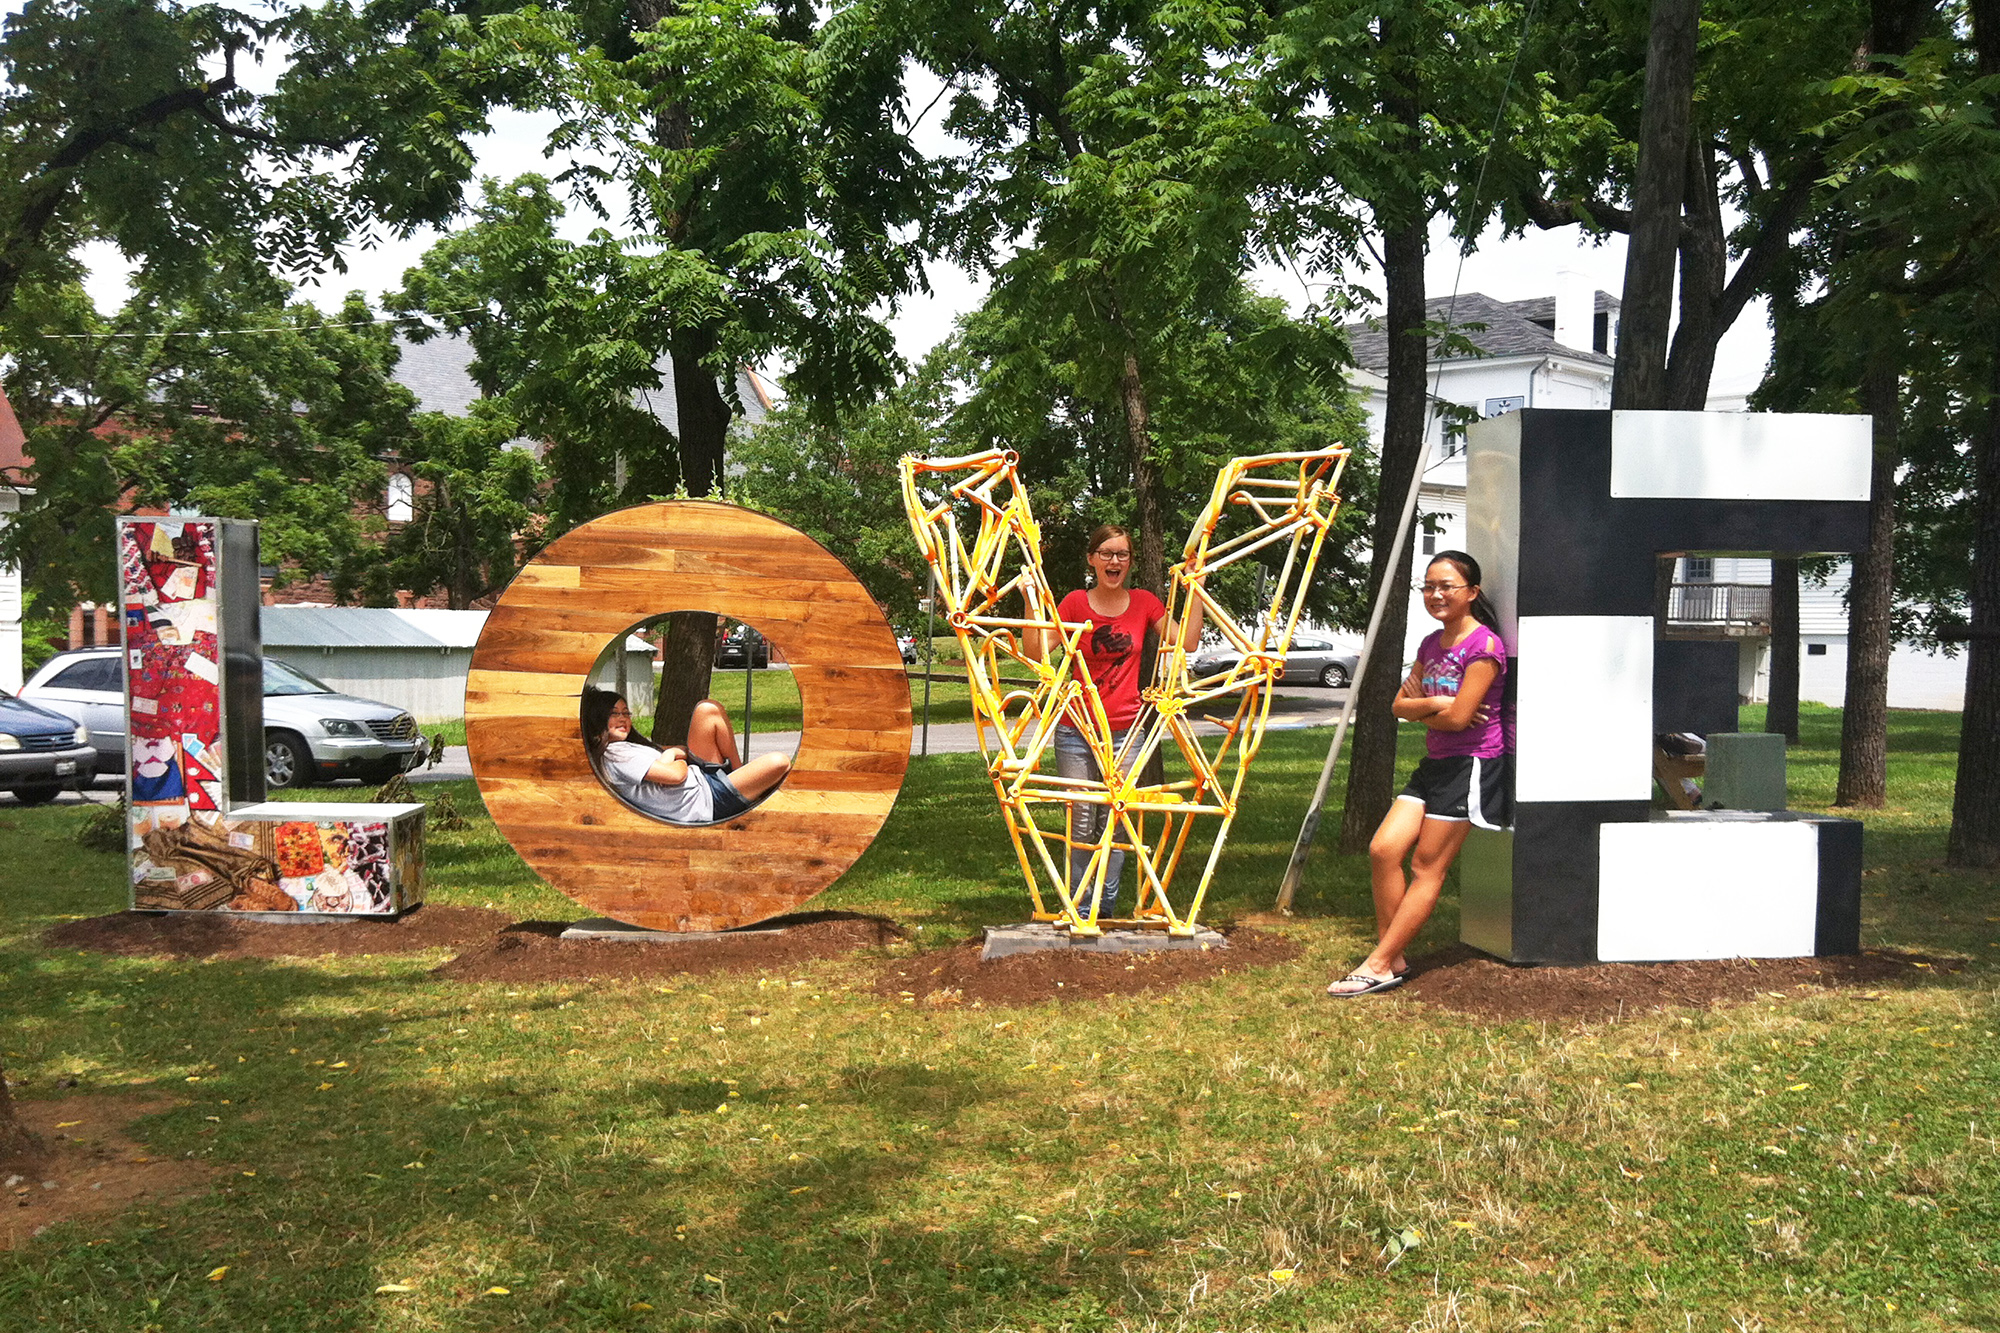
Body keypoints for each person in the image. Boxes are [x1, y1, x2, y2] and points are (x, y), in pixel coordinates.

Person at [1327, 550, 1512, 997]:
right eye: (1428, 586)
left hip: (1472, 765)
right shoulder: (1432, 644)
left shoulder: (1484, 647)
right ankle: (1394, 957)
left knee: (1426, 867)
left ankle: (1379, 962)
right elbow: (1399, 706)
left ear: (1472, 592)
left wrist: (1427, 709)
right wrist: (1434, 705)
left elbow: (1461, 718)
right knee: (1382, 849)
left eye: (1446, 586)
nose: (1435, 594)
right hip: (1435, 763)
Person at [1024, 524, 1202, 919]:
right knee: (1083, 816)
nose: (1114, 561)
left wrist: (1197, 592)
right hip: (1078, 729)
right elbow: (1037, 650)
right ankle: (1079, 905)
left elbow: (1185, 642)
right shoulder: (1073, 603)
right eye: (1106, 553)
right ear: (1091, 559)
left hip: (1126, 729)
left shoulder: (1144, 603)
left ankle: (1104, 907)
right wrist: (1031, 601)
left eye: (1122, 554)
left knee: (1118, 819)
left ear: (1130, 562)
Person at [581, 688, 790, 825]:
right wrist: (673, 755)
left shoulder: (626, 747)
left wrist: (671, 753)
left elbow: (673, 755)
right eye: (614, 713)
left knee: (708, 710)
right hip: (706, 801)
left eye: (625, 712)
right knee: (779, 761)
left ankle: (737, 774)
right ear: (598, 718)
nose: (623, 718)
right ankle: (741, 785)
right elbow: (676, 776)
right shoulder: (614, 755)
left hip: (704, 783)